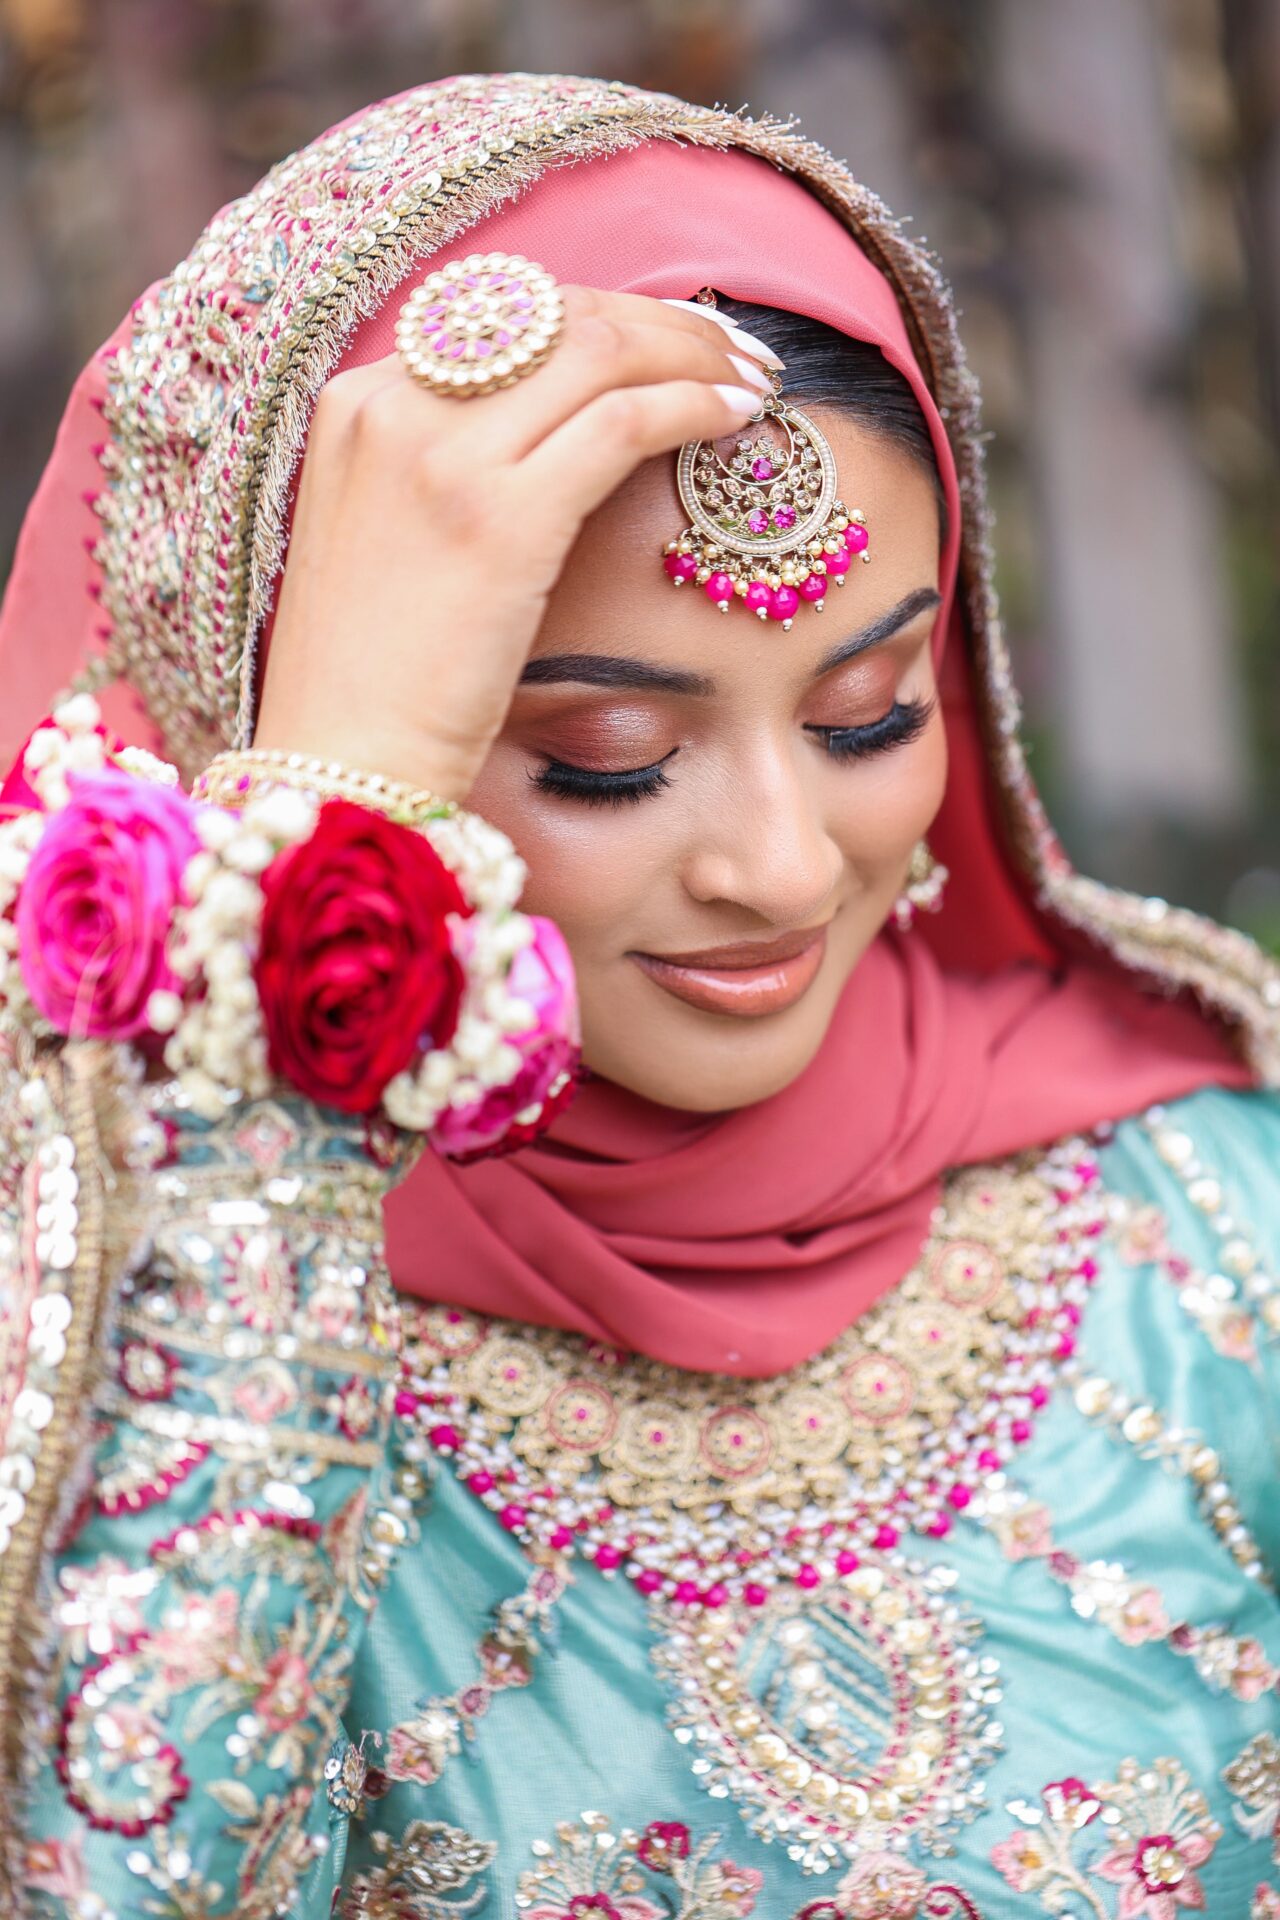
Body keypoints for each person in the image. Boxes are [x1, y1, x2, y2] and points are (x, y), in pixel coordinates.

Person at [1, 70, 1277, 1920]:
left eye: (869, 718)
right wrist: (309, 881)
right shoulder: (121, 1332)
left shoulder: (1215, 1238)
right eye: (604, 756)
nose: (777, 865)